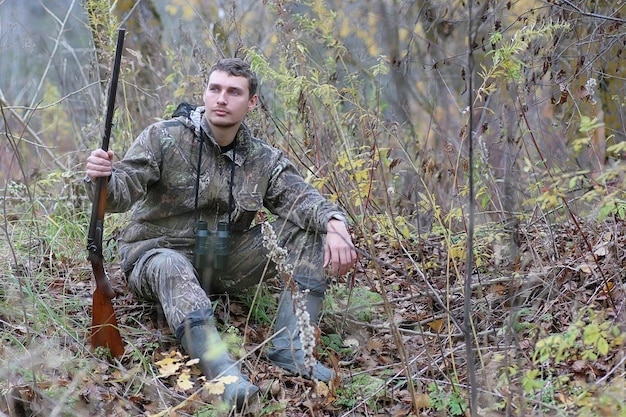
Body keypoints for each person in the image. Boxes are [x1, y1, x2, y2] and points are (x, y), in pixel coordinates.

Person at [84, 58, 357, 410]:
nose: (222, 99)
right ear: (205, 93)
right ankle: (225, 376)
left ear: (252, 102)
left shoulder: (263, 158)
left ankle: (291, 351)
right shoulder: (164, 137)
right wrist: (100, 176)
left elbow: (301, 198)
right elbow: (119, 193)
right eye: (215, 89)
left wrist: (335, 223)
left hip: (223, 264)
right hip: (156, 258)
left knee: (311, 232)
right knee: (171, 265)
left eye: (234, 92)